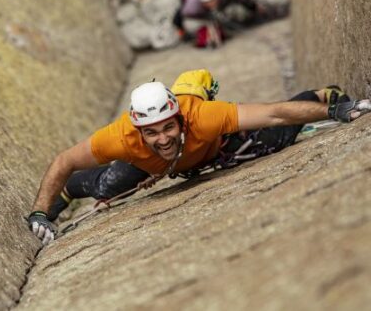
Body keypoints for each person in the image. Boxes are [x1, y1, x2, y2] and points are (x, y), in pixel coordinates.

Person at [27, 74, 371, 245]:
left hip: (211, 148)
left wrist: (333, 110)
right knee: (107, 184)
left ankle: (322, 94)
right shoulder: (120, 137)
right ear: (138, 129)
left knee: (278, 138)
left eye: (168, 128)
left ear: (179, 119)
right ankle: (70, 194)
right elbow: (64, 160)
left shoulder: (202, 116)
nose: (162, 137)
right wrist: (41, 211)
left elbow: (274, 114)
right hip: (151, 166)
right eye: (152, 132)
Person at [171, 0, 282, 48]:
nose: (212, 3)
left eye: (213, 0)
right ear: (202, 2)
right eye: (208, 2)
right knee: (179, 18)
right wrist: (207, 20)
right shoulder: (191, 7)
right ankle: (183, 34)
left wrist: (254, 7)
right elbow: (180, 17)